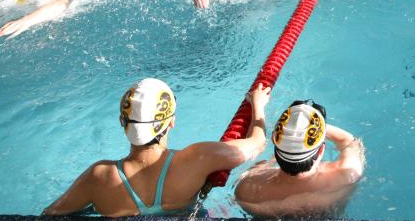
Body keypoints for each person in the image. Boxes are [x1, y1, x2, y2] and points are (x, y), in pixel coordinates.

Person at [42, 79, 272, 216]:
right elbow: (256, 144)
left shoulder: (99, 176)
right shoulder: (198, 158)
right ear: (171, 122)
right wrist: (258, 105)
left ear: (123, 123)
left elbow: (50, 215)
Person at [234, 100, 365, 218]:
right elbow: (350, 142)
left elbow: (256, 167)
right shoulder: (346, 177)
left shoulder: (247, 190)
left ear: (275, 142)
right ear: (321, 150)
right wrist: (314, 129)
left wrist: (286, 139)